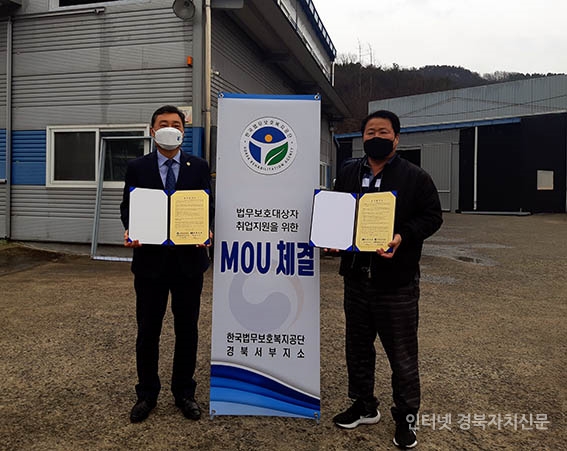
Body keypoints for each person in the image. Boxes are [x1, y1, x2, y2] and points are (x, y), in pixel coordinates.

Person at [332, 110, 442, 449]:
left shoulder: (415, 177)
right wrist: (334, 238)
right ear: (362, 137)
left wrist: (402, 236)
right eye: (370, 132)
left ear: (396, 138)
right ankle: (364, 405)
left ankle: (406, 418)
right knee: (357, 349)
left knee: (402, 355)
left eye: (383, 132)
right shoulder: (349, 172)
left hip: (396, 282)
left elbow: (432, 217)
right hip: (356, 278)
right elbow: (338, 212)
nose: (375, 137)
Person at [120, 105, 212, 423]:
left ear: (184, 132)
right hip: (150, 263)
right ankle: (147, 394)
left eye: (176, 124)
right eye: (163, 124)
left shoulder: (198, 166)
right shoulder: (137, 167)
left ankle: (184, 392)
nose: (169, 128)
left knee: (187, 330)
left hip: (189, 262)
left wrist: (206, 230)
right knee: (148, 331)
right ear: (152, 131)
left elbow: (207, 206)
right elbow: (128, 206)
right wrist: (130, 229)